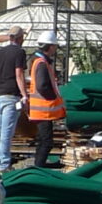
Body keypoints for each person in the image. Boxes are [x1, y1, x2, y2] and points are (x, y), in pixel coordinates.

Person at [0, 25, 27, 169]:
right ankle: (4, 164)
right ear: (20, 38)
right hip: (11, 95)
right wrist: (24, 95)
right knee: (7, 131)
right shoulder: (19, 52)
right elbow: (19, 74)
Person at [27, 37, 66, 169]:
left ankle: (39, 165)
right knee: (47, 141)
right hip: (43, 110)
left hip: (41, 110)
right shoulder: (42, 63)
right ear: (50, 47)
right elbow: (42, 86)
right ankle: (39, 167)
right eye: (54, 46)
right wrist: (52, 97)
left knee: (43, 140)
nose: (55, 49)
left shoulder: (40, 62)